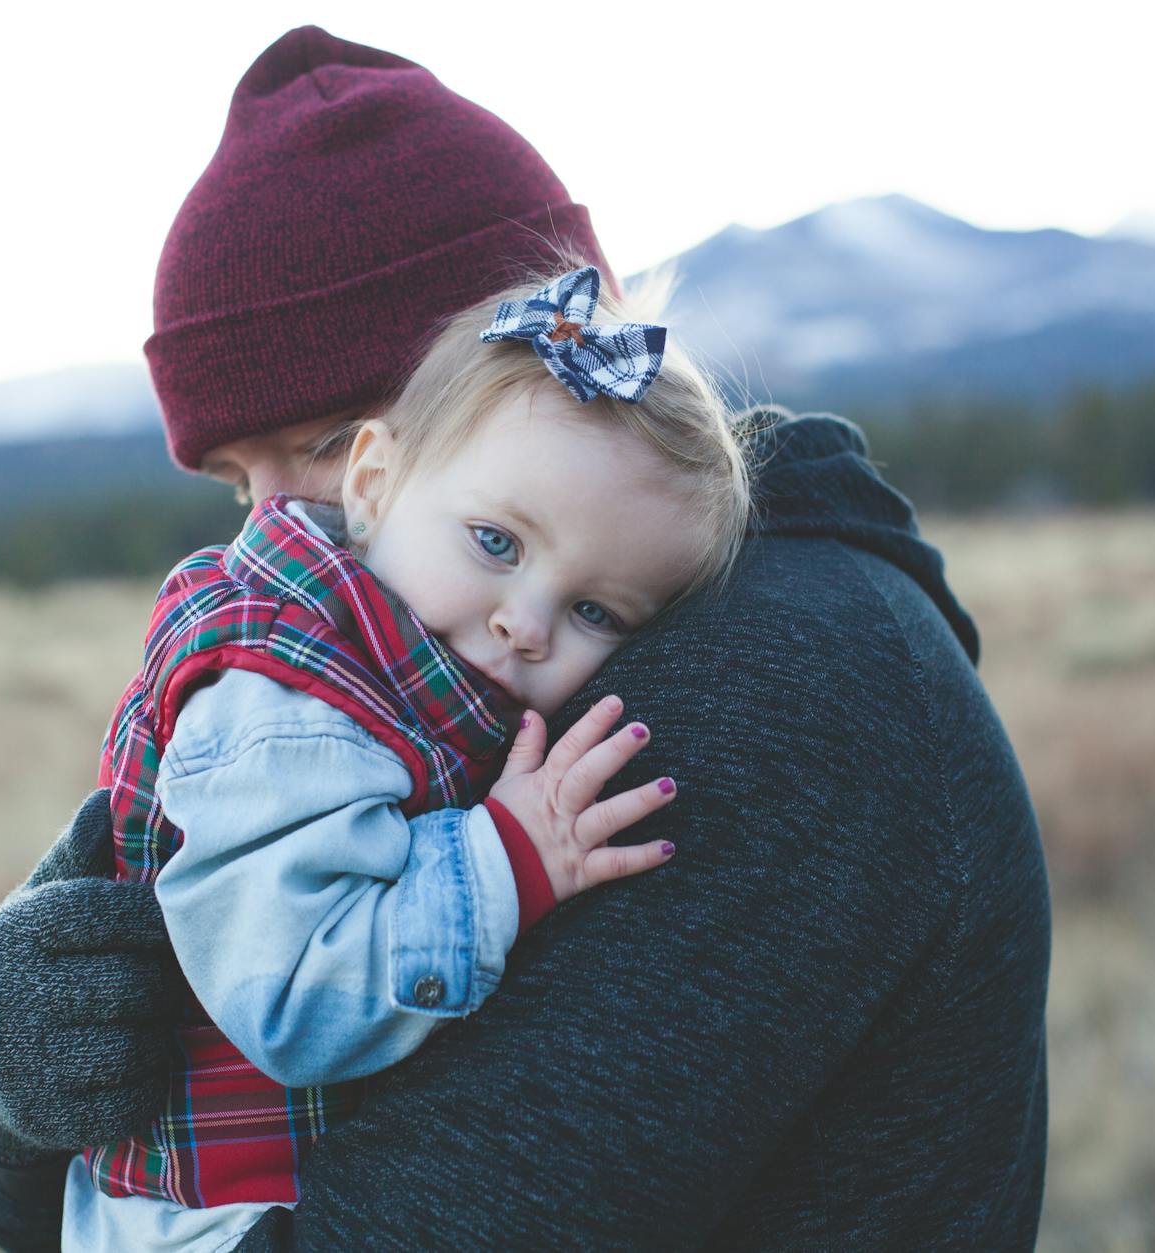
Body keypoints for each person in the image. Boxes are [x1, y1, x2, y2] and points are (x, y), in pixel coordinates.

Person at [0, 25, 1051, 1251]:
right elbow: (45, 1196)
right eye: (232, 482)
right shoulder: (409, 665)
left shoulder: (769, 688)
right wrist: (12, 1087)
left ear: (531, 364)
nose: (272, 532)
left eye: (320, 445)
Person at [67, 264, 750, 1251]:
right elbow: (296, 996)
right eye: (494, 541)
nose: (525, 623)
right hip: (212, 1222)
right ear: (375, 484)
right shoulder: (285, 703)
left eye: (594, 611)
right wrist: (506, 856)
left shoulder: (413, 661)